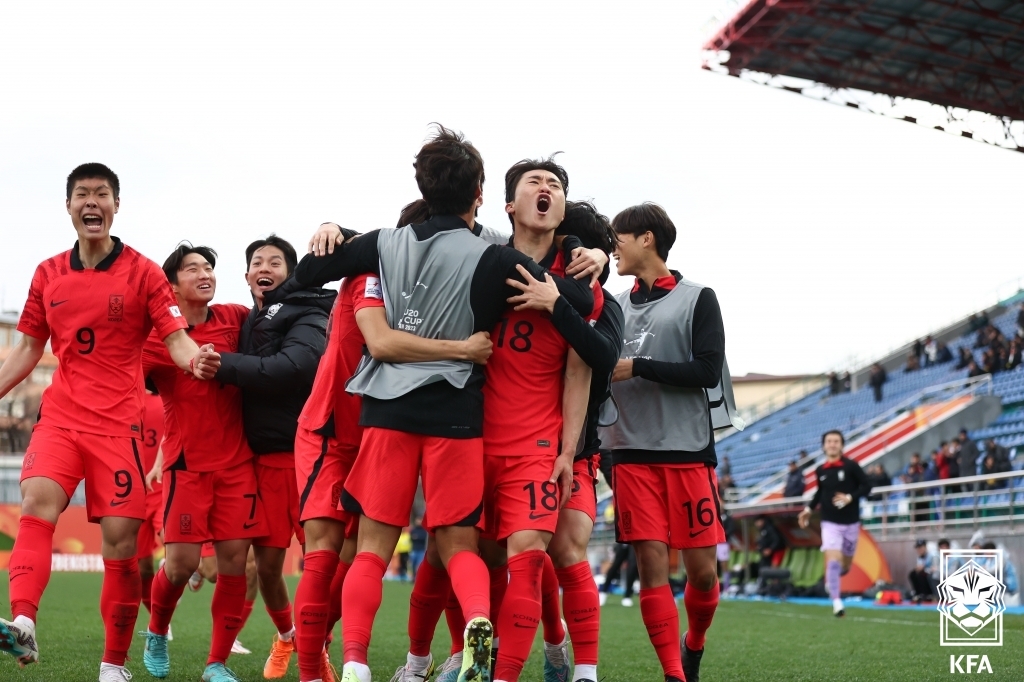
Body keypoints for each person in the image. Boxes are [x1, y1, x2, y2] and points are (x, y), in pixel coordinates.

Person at [291, 125, 596, 682]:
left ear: (421, 185)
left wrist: (328, 240)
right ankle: (479, 619)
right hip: (457, 413)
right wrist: (585, 259)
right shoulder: (491, 256)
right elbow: (573, 299)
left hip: (386, 411)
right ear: (481, 193)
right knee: (459, 545)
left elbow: (304, 276)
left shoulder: (383, 243)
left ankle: (355, 661)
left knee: (371, 551)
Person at [0, 164, 216, 682]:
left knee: (122, 543)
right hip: (61, 419)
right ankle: (24, 619)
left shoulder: (143, 273)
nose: (91, 202)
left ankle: (113, 666)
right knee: (36, 502)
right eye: (82, 195)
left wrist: (194, 360)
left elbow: (175, 338)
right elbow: (28, 347)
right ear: (70, 207)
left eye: (101, 194)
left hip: (119, 428)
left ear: (116, 206)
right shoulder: (47, 273)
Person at [292, 197, 499, 682]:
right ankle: (315, 664)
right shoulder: (377, 274)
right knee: (335, 554)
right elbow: (381, 343)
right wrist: (464, 349)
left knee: (369, 552)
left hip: (379, 423)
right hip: (339, 428)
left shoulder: (390, 270)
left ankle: (372, 659)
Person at [600, 202, 731, 682]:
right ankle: (675, 674)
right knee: (652, 568)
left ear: (647, 239)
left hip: (687, 453)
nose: (614, 247)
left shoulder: (699, 298)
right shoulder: (611, 306)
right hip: (630, 454)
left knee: (703, 577)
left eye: (620, 237)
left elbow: (705, 370)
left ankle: (692, 645)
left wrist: (637, 367)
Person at [211, 234, 335, 679]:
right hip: (262, 461)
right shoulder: (249, 318)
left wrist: (223, 365)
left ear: (291, 272)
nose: (265, 267)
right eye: (257, 261)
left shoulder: (308, 310)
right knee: (264, 567)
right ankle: (288, 638)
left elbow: (296, 367)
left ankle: (316, 646)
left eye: (275, 261)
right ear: (246, 276)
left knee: (324, 563)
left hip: (308, 457)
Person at [140, 244, 265, 682]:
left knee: (237, 566)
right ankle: (156, 631)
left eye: (209, 267)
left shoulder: (234, 316)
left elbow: (274, 325)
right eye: (192, 268)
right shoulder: (155, 340)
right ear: (171, 286)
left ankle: (216, 663)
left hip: (237, 465)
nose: (205, 273)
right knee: (181, 567)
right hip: (185, 468)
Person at [798, 430, 871, 618]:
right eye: (829, 441)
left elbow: (867, 485)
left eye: (836, 441)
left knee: (844, 566)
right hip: (829, 522)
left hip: (851, 523)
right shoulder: (820, 470)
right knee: (833, 560)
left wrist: (849, 497)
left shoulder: (851, 466)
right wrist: (808, 510)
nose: (832, 444)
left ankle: (833, 579)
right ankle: (837, 603)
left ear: (842, 445)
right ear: (823, 446)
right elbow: (819, 493)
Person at [138, 387, 166, 625]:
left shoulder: (165, 401)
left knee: (176, 543)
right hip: (132, 494)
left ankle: (174, 570)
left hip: (161, 488)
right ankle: (157, 620)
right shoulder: (125, 400)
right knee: (143, 569)